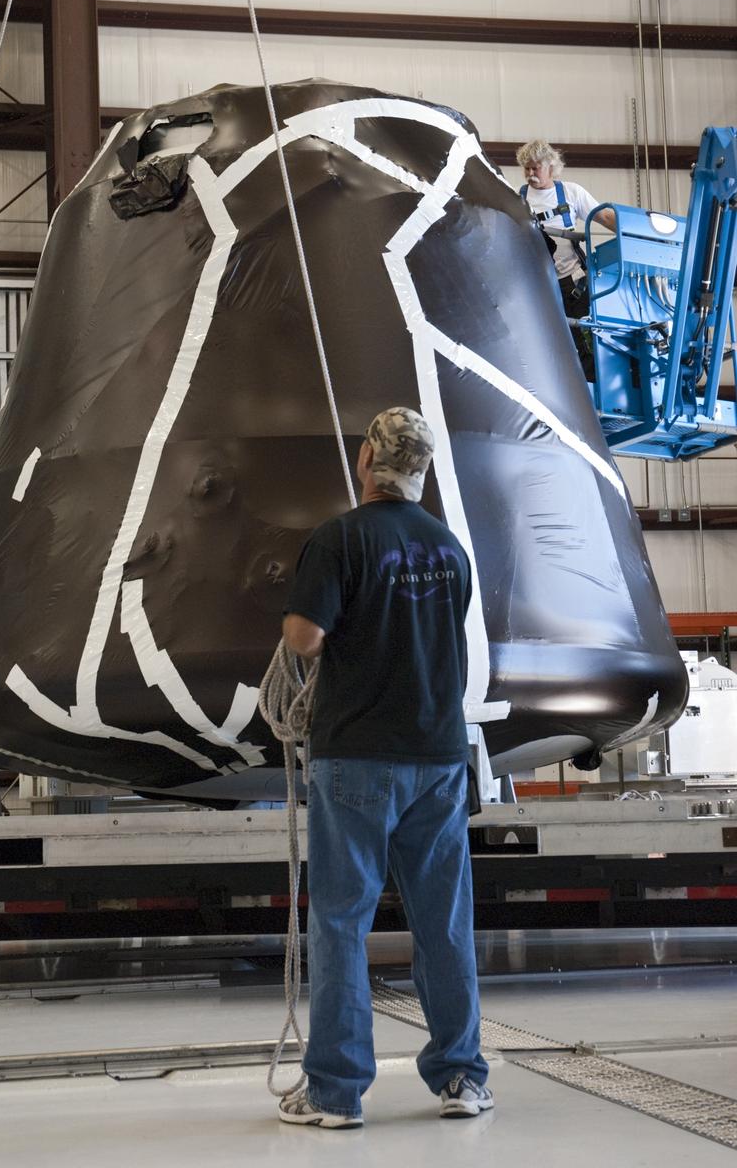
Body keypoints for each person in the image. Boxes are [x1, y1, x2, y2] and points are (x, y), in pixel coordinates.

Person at [277, 406, 492, 1130]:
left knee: (341, 923)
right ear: (422, 470)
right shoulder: (450, 548)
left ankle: (336, 1093)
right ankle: (462, 1078)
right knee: (443, 924)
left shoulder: (339, 540)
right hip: (437, 757)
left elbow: (306, 637)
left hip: (357, 759)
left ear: (368, 459)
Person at [517, 139, 617, 379]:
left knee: (590, 338)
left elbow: (604, 217)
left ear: (551, 167)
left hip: (573, 282)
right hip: (539, 287)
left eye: (535, 168)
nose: (531, 174)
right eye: (527, 169)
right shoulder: (518, 198)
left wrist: (635, 234)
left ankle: (598, 383)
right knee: (555, 345)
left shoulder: (571, 193)